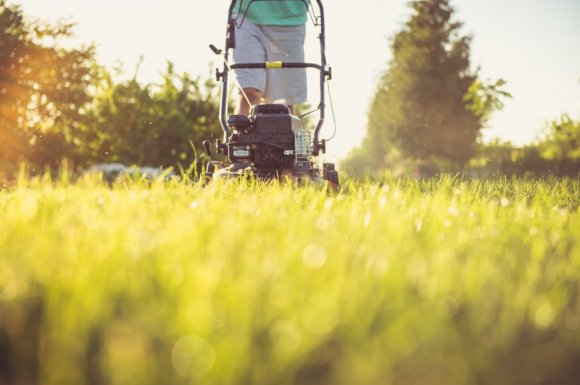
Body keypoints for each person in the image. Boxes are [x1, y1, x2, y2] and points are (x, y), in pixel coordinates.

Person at [232, 0, 309, 115]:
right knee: (249, 93)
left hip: (291, 17)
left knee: (281, 103)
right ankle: (239, 132)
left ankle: (282, 132)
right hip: (247, 12)